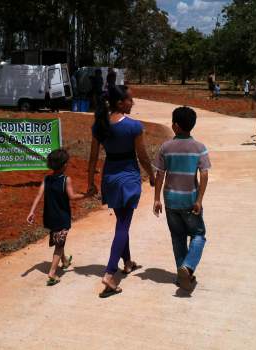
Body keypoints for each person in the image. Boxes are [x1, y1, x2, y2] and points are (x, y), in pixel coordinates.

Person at [87, 85, 155, 298]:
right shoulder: (134, 126)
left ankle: (127, 262)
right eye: (129, 100)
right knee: (123, 226)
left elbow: (92, 158)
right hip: (128, 178)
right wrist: (152, 175)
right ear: (119, 103)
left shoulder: (100, 125)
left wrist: (91, 182)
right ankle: (109, 273)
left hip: (110, 178)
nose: (132, 103)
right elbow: (142, 155)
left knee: (121, 223)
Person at [153, 106, 211, 292]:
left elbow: (159, 174)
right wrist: (199, 200)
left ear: (175, 126)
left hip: (170, 200)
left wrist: (156, 199)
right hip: (190, 201)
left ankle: (182, 276)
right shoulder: (199, 148)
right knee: (198, 235)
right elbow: (204, 175)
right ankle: (187, 268)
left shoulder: (166, 147)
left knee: (177, 238)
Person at [27, 149, 87, 286]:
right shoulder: (66, 180)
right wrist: (86, 195)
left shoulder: (47, 179)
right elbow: (72, 197)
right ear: (64, 165)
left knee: (59, 238)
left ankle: (65, 261)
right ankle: (52, 273)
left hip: (49, 217)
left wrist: (31, 212)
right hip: (62, 217)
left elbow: (38, 195)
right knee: (59, 245)